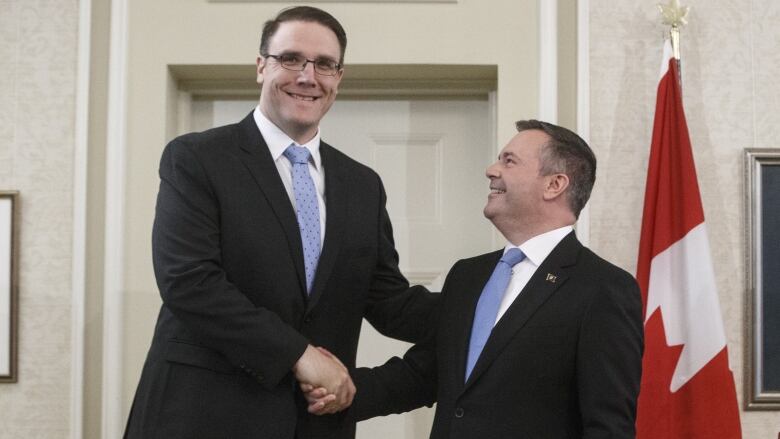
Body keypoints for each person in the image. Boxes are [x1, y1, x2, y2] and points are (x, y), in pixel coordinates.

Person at [123, 6, 437, 439]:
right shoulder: (197, 158)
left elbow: (386, 299)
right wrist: (299, 354)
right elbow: (189, 282)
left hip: (311, 424)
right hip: (200, 416)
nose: (308, 76)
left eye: (325, 64)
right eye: (291, 59)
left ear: (338, 77)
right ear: (260, 67)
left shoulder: (362, 184)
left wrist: (490, 305)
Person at [307, 120, 644, 438]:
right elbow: (422, 375)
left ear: (554, 184)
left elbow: (609, 427)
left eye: (509, 161)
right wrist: (332, 390)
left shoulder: (602, 288)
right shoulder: (468, 276)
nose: (491, 170)